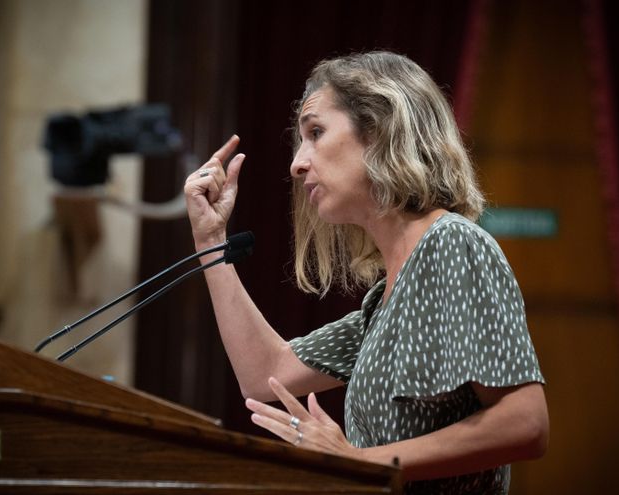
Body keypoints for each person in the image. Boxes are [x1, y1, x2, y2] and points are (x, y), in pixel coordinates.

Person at [183, 51, 548, 494]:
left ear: (379, 131)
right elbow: (265, 373)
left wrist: (357, 463)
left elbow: (525, 422)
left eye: (316, 133)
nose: (297, 164)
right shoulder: (385, 301)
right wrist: (209, 242)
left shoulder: (452, 243)